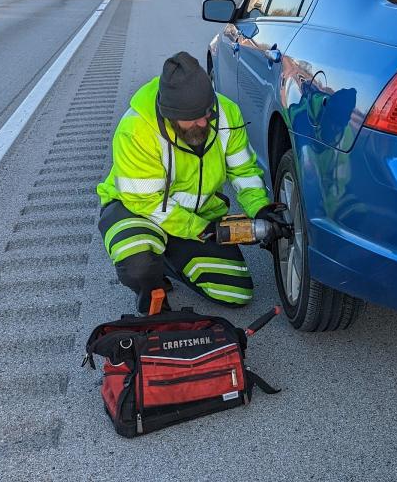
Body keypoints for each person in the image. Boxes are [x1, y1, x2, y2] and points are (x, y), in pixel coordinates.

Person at [97, 51, 289, 314]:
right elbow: (147, 203)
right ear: (169, 114)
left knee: (236, 293)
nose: (203, 122)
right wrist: (201, 230)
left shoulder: (226, 115)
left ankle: (167, 259)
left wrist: (260, 209)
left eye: (206, 113)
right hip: (137, 212)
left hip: (196, 217)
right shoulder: (136, 130)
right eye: (193, 118)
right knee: (138, 262)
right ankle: (151, 283)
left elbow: (243, 172)